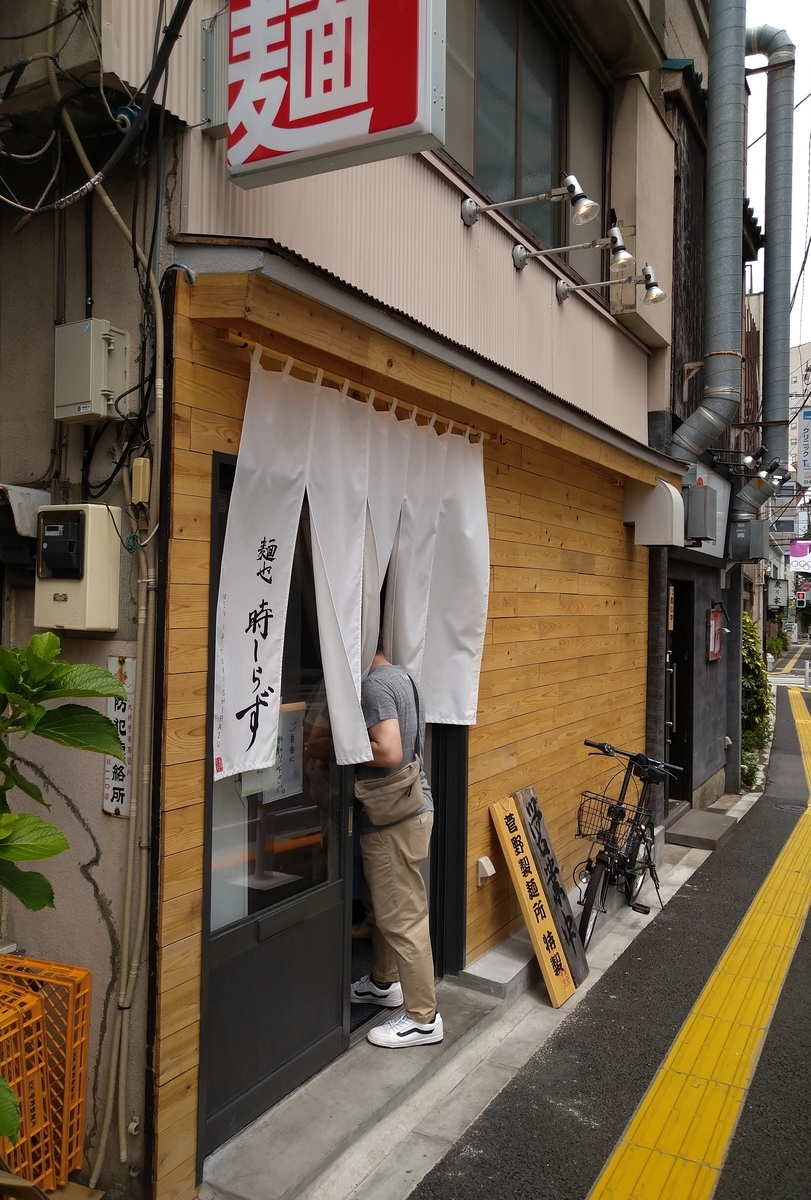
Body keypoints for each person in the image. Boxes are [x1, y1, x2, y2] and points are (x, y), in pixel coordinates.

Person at [350, 640, 443, 1048]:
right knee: (385, 903)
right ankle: (384, 983)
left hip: (394, 819)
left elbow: (387, 750)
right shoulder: (401, 675)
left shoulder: (372, 686)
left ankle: (423, 1018)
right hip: (410, 807)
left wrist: (342, 747)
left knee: (401, 916)